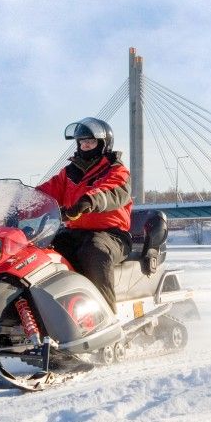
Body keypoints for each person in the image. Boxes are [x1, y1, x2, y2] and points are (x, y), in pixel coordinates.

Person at [36, 117, 133, 311]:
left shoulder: (116, 170)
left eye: (90, 142)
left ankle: (106, 315)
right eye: (82, 142)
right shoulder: (69, 173)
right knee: (44, 251)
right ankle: (49, 311)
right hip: (76, 233)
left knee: (94, 250)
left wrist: (87, 202)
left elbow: (113, 191)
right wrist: (22, 204)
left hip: (112, 235)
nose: (85, 146)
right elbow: (45, 193)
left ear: (103, 144)